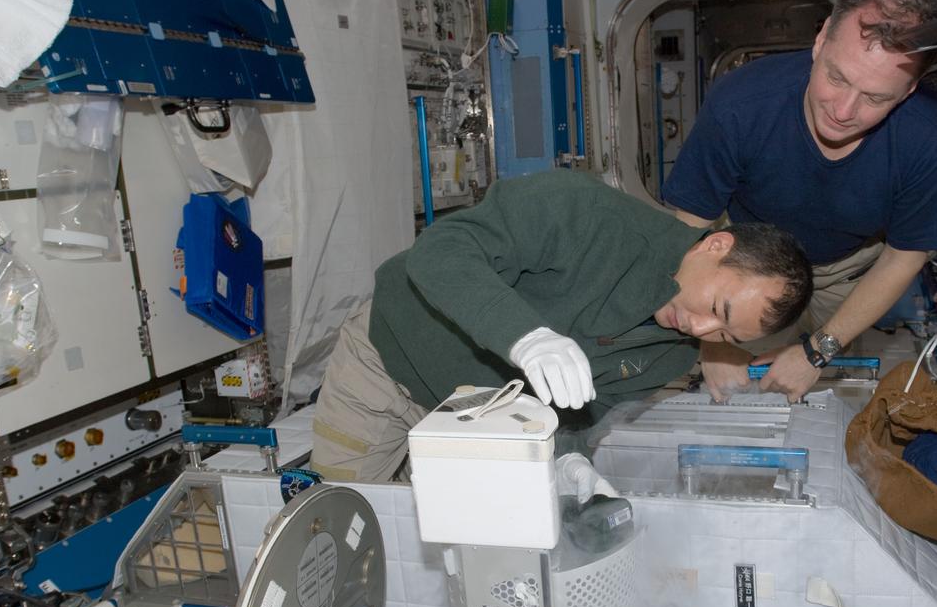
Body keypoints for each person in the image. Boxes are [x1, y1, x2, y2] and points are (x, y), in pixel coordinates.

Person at [309, 169, 812, 482]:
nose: (700, 329)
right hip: (389, 364)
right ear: (714, 245)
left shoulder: (676, 350)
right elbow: (440, 253)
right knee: (339, 531)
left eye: (725, 336)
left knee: (441, 553)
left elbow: (586, 415)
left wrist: (571, 466)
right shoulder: (584, 212)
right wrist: (525, 335)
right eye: (718, 309)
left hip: (475, 422)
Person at [661, 0, 937, 403]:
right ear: (820, 40)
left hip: (846, 270)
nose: (843, 110)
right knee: (736, 396)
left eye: (876, 98)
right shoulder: (740, 105)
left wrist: (818, 351)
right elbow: (687, 228)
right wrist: (714, 339)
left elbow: (901, 260)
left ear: (911, 89)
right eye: (836, 77)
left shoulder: (931, 142)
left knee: (810, 395)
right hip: (748, 267)